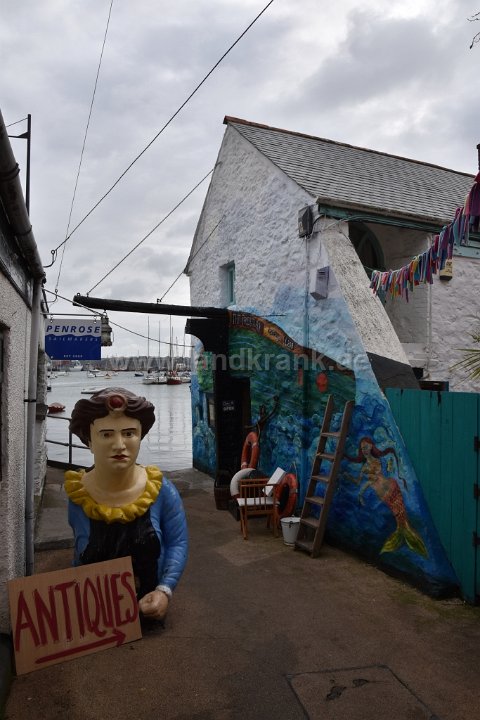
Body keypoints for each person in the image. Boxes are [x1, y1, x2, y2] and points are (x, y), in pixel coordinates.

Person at [65, 387, 188, 622]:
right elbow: (79, 551)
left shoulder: (160, 491)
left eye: (129, 433)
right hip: (98, 617)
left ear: (140, 436)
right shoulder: (80, 496)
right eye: (106, 434)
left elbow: (177, 542)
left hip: (148, 609)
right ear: (89, 441)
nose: (119, 444)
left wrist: (164, 590)